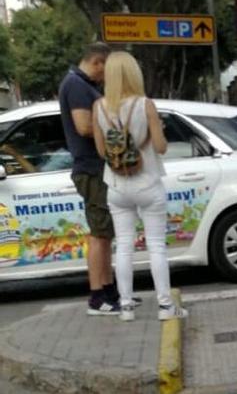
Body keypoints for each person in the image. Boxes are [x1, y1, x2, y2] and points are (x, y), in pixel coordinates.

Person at [92, 51, 188, 321]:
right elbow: (161, 147)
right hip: (147, 183)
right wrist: (154, 132)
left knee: (124, 246)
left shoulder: (98, 107)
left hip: (117, 185)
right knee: (156, 246)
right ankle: (166, 306)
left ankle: (125, 306)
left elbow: (101, 151)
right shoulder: (145, 105)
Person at [58, 42, 121, 315]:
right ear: (97, 62)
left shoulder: (84, 85)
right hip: (91, 168)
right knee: (99, 233)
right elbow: (83, 126)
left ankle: (110, 290)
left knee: (105, 232)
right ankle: (97, 296)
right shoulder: (76, 85)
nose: (106, 78)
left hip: (96, 167)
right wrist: (114, 128)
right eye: (106, 71)